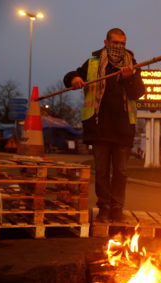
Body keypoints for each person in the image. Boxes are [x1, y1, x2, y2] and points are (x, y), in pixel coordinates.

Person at [63, 28, 145, 222]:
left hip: (123, 129)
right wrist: (74, 79)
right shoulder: (92, 63)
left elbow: (138, 93)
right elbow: (71, 75)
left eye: (123, 44)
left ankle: (117, 208)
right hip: (100, 128)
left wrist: (129, 79)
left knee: (121, 172)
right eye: (115, 43)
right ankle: (104, 208)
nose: (119, 47)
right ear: (106, 43)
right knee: (101, 171)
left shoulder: (132, 65)